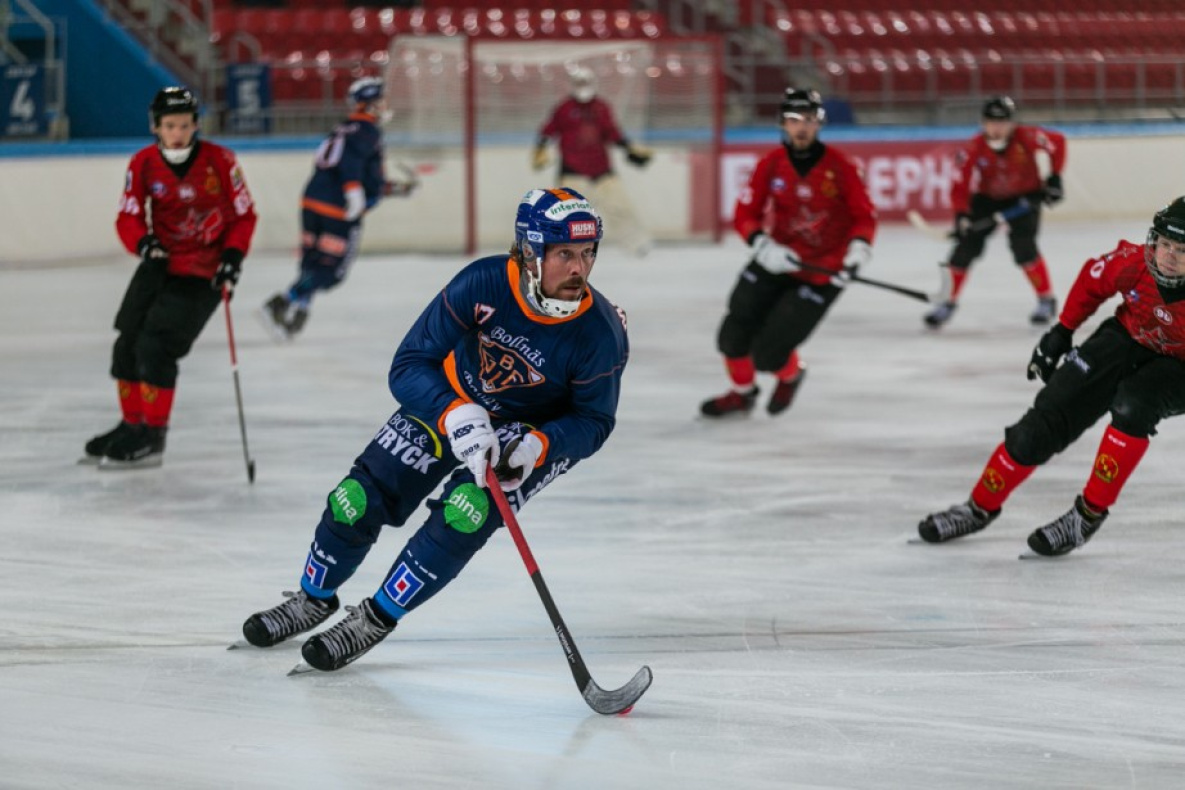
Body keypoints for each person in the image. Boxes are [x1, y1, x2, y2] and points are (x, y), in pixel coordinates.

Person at [241, 187, 629, 672]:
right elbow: (407, 366)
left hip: (524, 433)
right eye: (565, 253)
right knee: (353, 500)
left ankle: (376, 618)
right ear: (530, 251)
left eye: (588, 253)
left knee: (465, 513)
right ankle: (313, 599)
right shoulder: (484, 283)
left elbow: (594, 420)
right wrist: (456, 414)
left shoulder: (599, 333)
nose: (579, 268)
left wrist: (538, 445)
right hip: (450, 402)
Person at [918, 197, 1185, 556]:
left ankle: (1087, 516)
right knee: (1044, 419)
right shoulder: (1134, 262)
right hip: (1128, 336)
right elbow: (1093, 278)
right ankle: (978, 506)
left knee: (1135, 404)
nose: (1168, 256)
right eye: (1164, 244)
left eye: (1182, 250)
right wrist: (1061, 332)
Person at [82, 86, 257, 469]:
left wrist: (232, 257)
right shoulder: (143, 163)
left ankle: (153, 436)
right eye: (169, 125)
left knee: (155, 347)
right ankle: (132, 425)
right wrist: (143, 244)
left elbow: (244, 215)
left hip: (204, 273)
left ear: (195, 125)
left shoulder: (220, 161)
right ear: (156, 127)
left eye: (184, 124)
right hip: (160, 264)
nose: (177, 132)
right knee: (127, 344)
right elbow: (128, 214)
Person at [699, 87, 877, 418]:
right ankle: (742, 393)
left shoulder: (842, 167)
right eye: (795, 120)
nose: (802, 127)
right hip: (776, 259)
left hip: (824, 271)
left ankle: (792, 375)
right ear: (783, 123)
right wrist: (761, 244)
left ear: (819, 123)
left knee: (770, 354)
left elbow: (864, 216)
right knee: (732, 335)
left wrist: (858, 251)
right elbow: (745, 213)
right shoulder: (771, 164)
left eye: (809, 119)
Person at [260, 76, 416, 340]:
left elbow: (363, 176)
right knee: (333, 270)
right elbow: (350, 165)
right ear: (369, 104)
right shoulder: (368, 131)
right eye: (381, 100)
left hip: (312, 202)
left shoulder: (344, 128)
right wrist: (353, 192)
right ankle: (284, 301)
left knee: (313, 261)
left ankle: (298, 311)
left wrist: (395, 189)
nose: (385, 105)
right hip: (338, 210)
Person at [924, 95, 1067, 329]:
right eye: (992, 122)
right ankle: (947, 303)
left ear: (1012, 123)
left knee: (1024, 249)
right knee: (964, 249)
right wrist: (961, 214)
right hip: (988, 199)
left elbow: (1058, 142)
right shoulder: (973, 147)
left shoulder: (1028, 137)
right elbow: (960, 184)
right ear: (983, 123)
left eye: (1003, 122)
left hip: (1026, 197)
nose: (997, 127)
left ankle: (1046, 300)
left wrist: (1054, 178)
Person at [532, 66, 652, 257]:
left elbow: (612, 132)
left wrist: (628, 148)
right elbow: (548, 130)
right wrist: (540, 149)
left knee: (620, 208)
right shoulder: (564, 109)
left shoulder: (601, 108)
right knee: (565, 214)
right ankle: (560, 248)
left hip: (601, 170)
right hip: (572, 171)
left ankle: (636, 244)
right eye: (579, 83)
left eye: (585, 83)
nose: (583, 87)